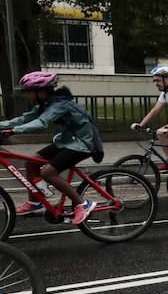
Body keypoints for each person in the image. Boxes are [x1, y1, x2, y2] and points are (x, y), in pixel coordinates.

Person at [0, 72, 102, 225]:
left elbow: (41, 123)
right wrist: (3, 126)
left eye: (28, 92)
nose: (26, 95)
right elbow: (24, 119)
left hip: (82, 144)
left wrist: (14, 131)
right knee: (31, 163)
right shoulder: (47, 104)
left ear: (41, 92)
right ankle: (35, 203)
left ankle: (83, 204)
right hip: (67, 142)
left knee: (48, 172)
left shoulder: (60, 105)